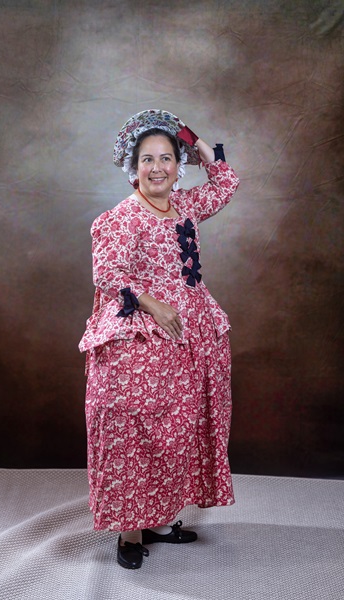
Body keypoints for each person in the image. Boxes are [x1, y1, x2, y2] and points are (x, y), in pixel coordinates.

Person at [79, 109, 240, 569]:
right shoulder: (122, 217)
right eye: (147, 159)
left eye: (167, 158)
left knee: (175, 430)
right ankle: (131, 532)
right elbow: (107, 274)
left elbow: (226, 184)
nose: (157, 168)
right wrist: (154, 303)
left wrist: (194, 139)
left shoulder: (184, 205)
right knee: (137, 431)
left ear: (178, 164)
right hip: (142, 338)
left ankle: (159, 515)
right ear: (134, 167)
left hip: (189, 337)